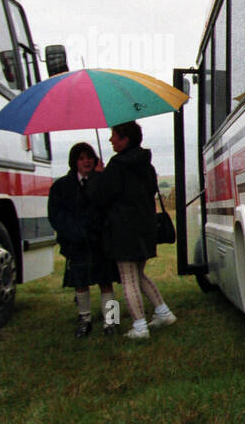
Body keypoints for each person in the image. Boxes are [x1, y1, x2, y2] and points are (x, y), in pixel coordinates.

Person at [87, 121, 176, 340]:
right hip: (144, 227)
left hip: (123, 230)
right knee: (138, 274)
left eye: (114, 136)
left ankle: (139, 327)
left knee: (128, 278)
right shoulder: (147, 164)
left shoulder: (117, 165)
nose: (110, 140)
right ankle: (163, 312)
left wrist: (98, 176)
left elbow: (101, 197)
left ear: (125, 139)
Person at [47, 142, 119, 337]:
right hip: (75, 243)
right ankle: (84, 320)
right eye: (81, 158)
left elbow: (109, 208)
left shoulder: (102, 181)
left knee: (106, 281)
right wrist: (74, 233)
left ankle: (111, 321)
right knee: (80, 283)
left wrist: (99, 177)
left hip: (100, 241)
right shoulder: (61, 186)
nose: (86, 161)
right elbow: (56, 215)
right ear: (74, 162)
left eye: (89, 157)